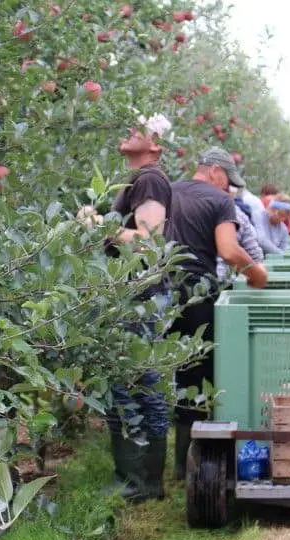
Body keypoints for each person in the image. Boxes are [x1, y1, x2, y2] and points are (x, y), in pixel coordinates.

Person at [167, 146, 268, 479]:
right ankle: (199, 463)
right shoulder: (219, 200)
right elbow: (227, 249)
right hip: (197, 296)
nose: (229, 189)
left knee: (179, 373)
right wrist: (257, 274)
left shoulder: (168, 191)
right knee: (204, 374)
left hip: (161, 294)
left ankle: (178, 465)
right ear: (215, 172)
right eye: (228, 181)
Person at [100, 113, 174, 502]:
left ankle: (136, 483)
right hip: (138, 295)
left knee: (133, 384)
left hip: (140, 298)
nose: (129, 128)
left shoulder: (148, 179)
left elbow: (147, 241)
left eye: (140, 127)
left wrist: (97, 227)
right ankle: (143, 482)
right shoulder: (142, 179)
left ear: (156, 144)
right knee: (140, 382)